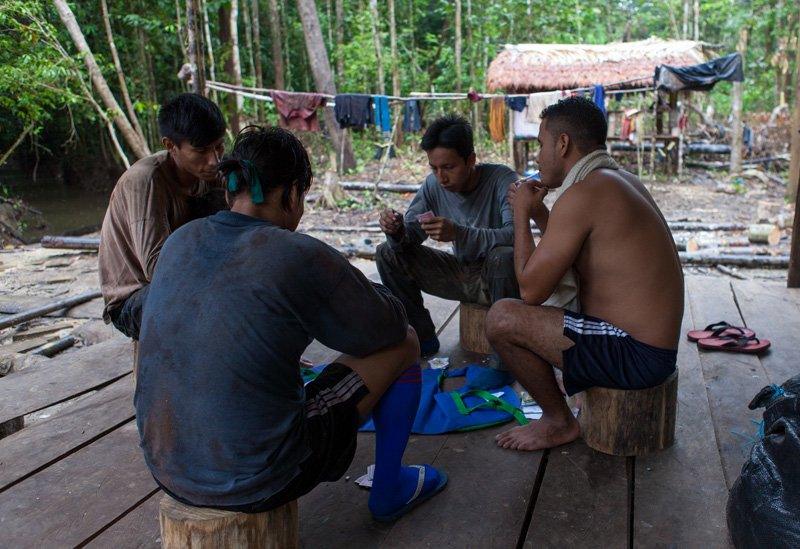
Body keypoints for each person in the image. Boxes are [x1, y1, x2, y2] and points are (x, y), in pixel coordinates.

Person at [135, 126, 447, 520]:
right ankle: (390, 487)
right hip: (258, 478)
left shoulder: (181, 240)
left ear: (232, 187)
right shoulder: (293, 252)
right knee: (404, 342)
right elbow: (384, 327)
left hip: (165, 467)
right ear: (293, 193)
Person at [485, 96, 684, 451]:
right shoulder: (615, 180)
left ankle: (557, 421)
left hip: (635, 355)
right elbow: (573, 251)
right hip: (647, 349)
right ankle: (566, 400)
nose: (538, 156)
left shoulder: (584, 194)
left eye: (541, 144)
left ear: (562, 144)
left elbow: (531, 291)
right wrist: (537, 213)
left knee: (502, 317)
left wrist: (519, 213)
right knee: (515, 314)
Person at [376, 115, 519, 386]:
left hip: (499, 278)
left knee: (504, 256)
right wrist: (395, 230)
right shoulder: (433, 186)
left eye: (449, 167)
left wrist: (460, 233)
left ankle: (506, 361)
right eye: (434, 168)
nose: (441, 177)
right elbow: (410, 237)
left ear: (471, 159)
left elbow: (515, 236)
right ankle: (424, 337)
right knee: (387, 252)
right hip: (461, 273)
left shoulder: (502, 179)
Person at [98, 93, 228, 340]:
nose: (215, 160)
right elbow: (157, 270)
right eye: (201, 150)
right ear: (170, 146)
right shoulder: (146, 182)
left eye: (219, 146)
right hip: (134, 299)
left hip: (180, 283)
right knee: (220, 301)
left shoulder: (212, 173)